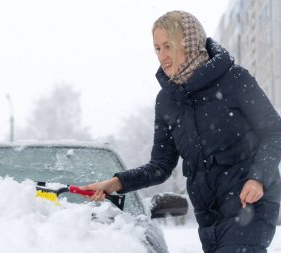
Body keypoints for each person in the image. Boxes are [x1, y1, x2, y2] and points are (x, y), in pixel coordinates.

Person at [80, 10, 281, 253]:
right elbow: (160, 166)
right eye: (157, 49)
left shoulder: (234, 80)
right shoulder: (167, 101)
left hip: (249, 207)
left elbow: (274, 131)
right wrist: (113, 184)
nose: (162, 56)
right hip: (208, 218)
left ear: (189, 42)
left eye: (168, 46)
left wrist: (258, 178)